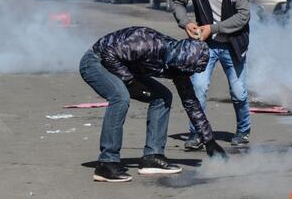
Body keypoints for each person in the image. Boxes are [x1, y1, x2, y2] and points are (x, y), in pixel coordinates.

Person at [79, 26, 227, 183]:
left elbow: (190, 102)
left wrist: (209, 141)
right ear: (175, 59)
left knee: (163, 96)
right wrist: (129, 81)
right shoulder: (146, 43)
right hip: (96, 61)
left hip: (123, 66)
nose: (180, 75)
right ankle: (106, 163)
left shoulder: (179, 65)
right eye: (179, 70)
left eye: (185, 73)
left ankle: (153, 157)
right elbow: (108, 54)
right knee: (120, 97)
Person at [172, 0, 252, 150]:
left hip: (233, 44)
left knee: (239, 92)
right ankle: (197, 133)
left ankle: (243, 131)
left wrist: (213, 28)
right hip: (204, 45)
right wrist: (186, 23)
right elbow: (178, 3)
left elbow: (243, 16)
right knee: (198, 88)